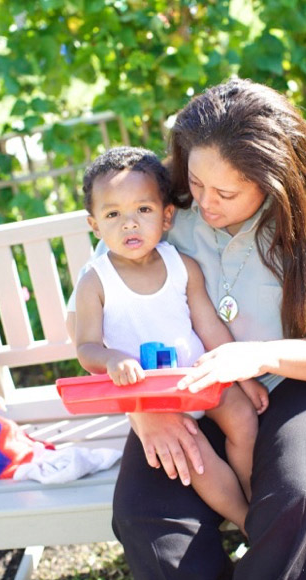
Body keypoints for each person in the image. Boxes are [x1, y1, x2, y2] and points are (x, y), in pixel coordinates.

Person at [67, 79, 306, 580]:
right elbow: (101, 307)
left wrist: (262, 356)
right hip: (191, 387)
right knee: (147, 513)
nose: (205, 204)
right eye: (196, 183)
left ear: (275, 179)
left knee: (303, 495)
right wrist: (143, 408)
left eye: (227, 193)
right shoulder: (162, 213)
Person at [74, 146, 268, 534]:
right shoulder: (95, 281)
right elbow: (86, 347)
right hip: (155, 395)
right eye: (113, 214)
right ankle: (247, 523)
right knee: (195, 459)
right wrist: (111, 359)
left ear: (165, 217)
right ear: (94, 225)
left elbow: (209, 327)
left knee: (244, 419)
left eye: (142, 210)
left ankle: (259, 501)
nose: (129, 224)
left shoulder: (182, 266)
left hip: (199, 377)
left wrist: (243, 376)